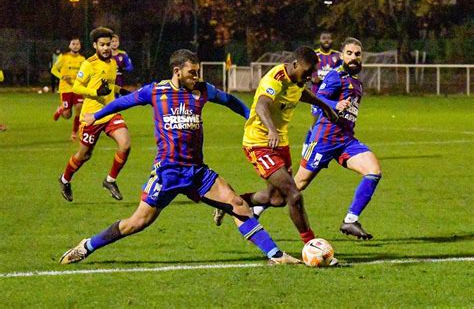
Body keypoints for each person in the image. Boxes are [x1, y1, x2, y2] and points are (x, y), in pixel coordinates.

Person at [59, 49, 301, 266]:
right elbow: (123, 101)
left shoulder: (202, 90)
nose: (196, 77)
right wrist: (97, 115)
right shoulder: (156, 91)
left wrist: (250, 116)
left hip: (197, 172)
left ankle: (276, 256)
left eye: (197, 72)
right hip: (168, 172)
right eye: (192, 73)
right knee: (137, 223)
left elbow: (229, 100)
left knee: (238, 205)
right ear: (177, 71)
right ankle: (87, 246)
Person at [213, 46, 339, 245]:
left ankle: (230, 202)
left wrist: (325, 106)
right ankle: (312, 244)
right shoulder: (275, 79)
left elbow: (301, 93)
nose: (309, 77)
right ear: (295, 64)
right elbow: (262, 104)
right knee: (294, 195)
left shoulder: (296, 79)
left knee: (276, 199)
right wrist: (271, 129)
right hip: (259, 143)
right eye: (307, 72)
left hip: (280, 143)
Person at [294, 37, 382, 240]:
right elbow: (316, 102)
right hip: (324, 139)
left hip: (346, 140)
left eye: (357, 54)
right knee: (297, 186)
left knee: (373, 171)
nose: (353, 57)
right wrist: (334, 105)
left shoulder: (356, 82)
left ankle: (350, 220)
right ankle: (254, 210)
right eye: (349, 53)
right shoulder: (336, 77)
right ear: (341, 56)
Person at [58, 27, 131, 202]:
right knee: (84, 155)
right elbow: (76, 87)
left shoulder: (113, 63)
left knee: (125, 144)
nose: (106, 48)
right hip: (91, 116)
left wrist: (123, 91)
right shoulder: (88, 64)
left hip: (111, 113)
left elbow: (109, 85)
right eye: (102, 45)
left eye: (108, 44)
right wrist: (95, 91)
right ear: (95, 45)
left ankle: (110, 180)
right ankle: (64, 179)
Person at [51, 38, 85, 140]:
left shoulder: (82, 59)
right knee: (67, 115)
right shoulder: (63, 57)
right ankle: (60, 110)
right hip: (65, 89)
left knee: (79, 107)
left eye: (77, 44)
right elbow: (53, 70)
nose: (75, 46)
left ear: (80, 46)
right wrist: (62, 77)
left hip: (77, 88)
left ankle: (74, 133)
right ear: (70, 46)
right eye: (73, 44)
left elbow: (84, 73)